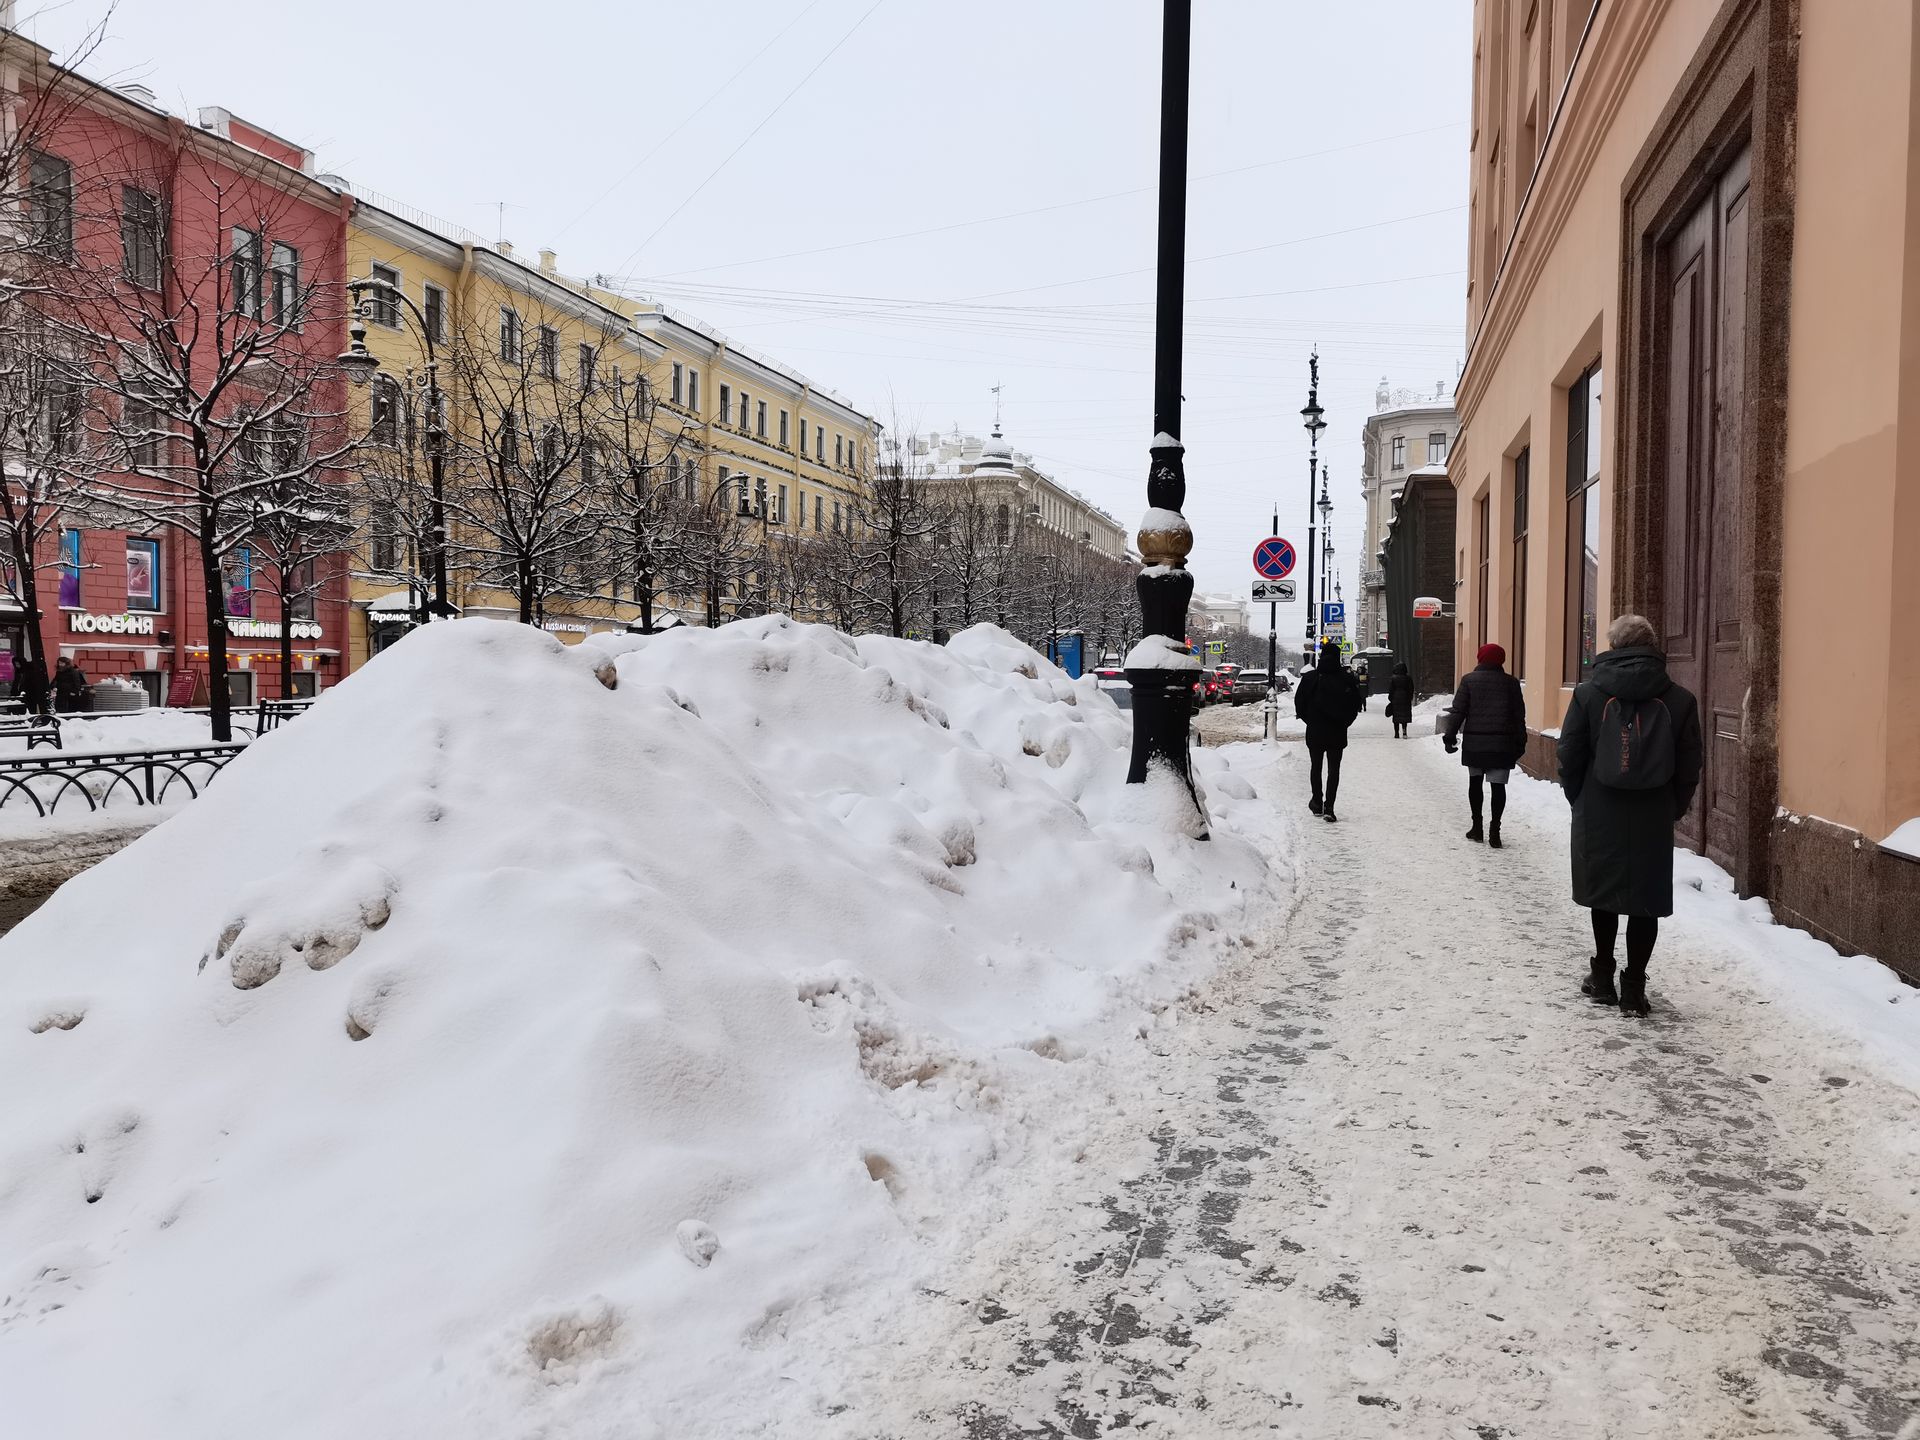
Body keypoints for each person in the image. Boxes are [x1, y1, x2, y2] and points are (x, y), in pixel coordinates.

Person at [1556, 614, 1702, 1018]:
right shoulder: (1680, 699)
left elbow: (1569, 753)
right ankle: (1634, 989)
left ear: (1614, 646)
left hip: (1599, 807)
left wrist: (1579, 797)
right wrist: (1675, 804)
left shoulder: (1588, 695)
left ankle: (1602, 976)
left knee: (1602, 892)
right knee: (1645, 900)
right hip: (1653, 810)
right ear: (1653, 646)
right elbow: (1691, 762)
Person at [1443, 642, 1528, 848]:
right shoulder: (1511, 683)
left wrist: (1450, 735)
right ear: (1502, 660)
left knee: (1475, 783)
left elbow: (1458, 712)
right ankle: (1495, 831)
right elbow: (1519, 715)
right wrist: (1521, 740)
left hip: (1475, 742)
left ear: (1480, 658)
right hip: (1501, 743)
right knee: (1498, 787)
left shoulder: (1469, 681)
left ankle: (1477, 828)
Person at [1294, 638, 1362, 822]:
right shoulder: (1346, 678)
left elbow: (1299, 704)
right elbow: (1356, 704)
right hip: (1337, 732)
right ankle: (1329, 808)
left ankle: (1317, 802)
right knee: (1334, 770)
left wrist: (1310, 720)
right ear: (1338, 657)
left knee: (1316, 767)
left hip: (1315, 731)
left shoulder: (1311, 678)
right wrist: (1345, 722)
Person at [1387, 662, 1414, 739]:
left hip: (1396, 698)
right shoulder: (1408, 678)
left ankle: (1396, 733)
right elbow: (1411, 688)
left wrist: (1390, 698)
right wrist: (1410, 697)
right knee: (1404, 717)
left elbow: (1391, 689)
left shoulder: (1393, 678)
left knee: (1396, 717)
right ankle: (1404, 732)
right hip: (1405, 699)